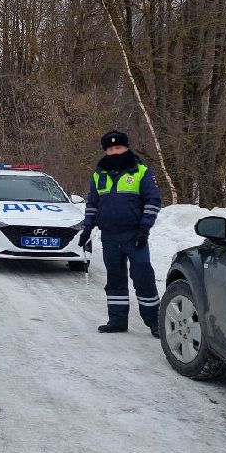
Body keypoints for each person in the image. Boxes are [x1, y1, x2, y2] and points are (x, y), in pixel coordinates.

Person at [76, 130, 162, 336]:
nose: (115, 152)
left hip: (135, 235)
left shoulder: (141, 172)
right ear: (106, 151)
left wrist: (144, 228)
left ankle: (155, 323)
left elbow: (153, 201)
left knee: (143, 277)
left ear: (126, 147)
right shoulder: (99, 175)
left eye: (118, 147)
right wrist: (87, 228)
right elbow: (93, 204)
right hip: (109, 236)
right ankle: (117, 321)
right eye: (110, 149)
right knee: (114, 279)